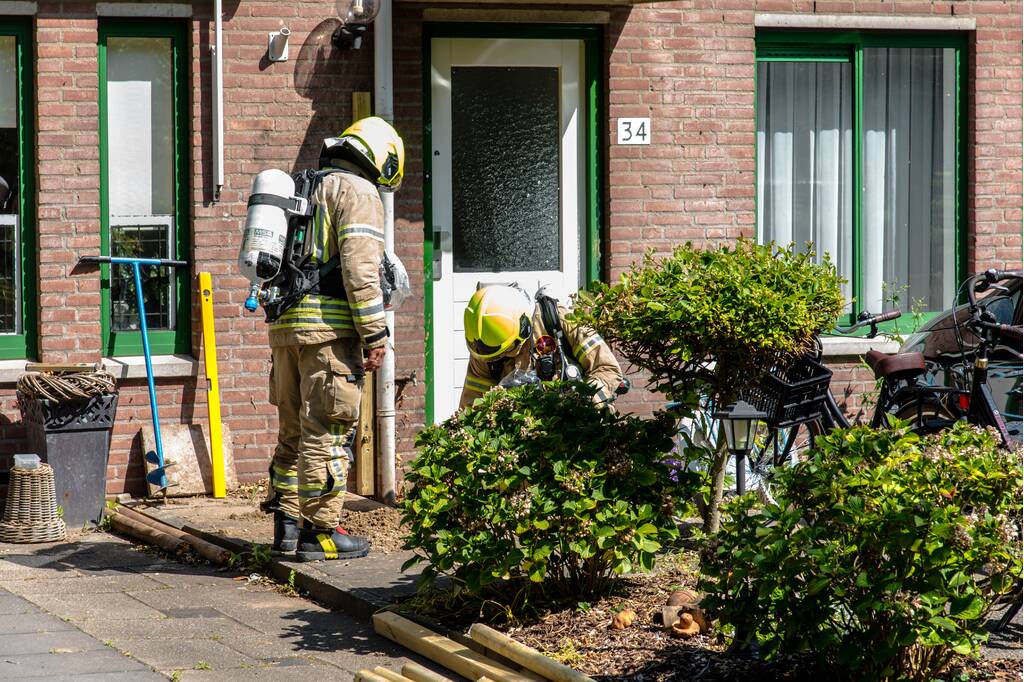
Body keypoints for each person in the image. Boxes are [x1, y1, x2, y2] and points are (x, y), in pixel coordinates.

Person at [262, 116, 404, 562]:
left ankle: (286, 527)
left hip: (284, 329)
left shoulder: (306, 184)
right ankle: (320, 533)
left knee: (291, 432)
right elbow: (360, 274)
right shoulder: (359, 192)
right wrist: (375, 333)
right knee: (327, 433)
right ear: (382, 159)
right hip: (329, 333)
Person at [460, 285, 626, 409]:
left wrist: (583, 403)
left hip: (580, 429)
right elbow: (472, 404)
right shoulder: (485, 348)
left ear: (524, 329)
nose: (499, 358)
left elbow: (607, 369)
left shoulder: (559, 319)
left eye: (507, 350)